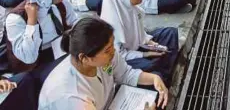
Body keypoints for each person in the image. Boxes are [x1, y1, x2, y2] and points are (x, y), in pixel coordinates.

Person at [38, 17, 168, 109]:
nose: (113, 51)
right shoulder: (70, 97)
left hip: (109, 103)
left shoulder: (106, 55)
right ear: (85, 58)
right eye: (107, 50)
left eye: (112, 45)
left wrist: (154, 78)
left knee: (156, 83)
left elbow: (125, 74)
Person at [100, 0, 179, 85]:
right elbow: (120, 55)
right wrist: (145, 54)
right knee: (149, 65)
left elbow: (141, 34)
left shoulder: (132, 9)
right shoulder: (110, 25)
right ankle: (162, 72)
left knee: (170, 33)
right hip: (126, 57)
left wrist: (151, 43)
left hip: (138, 46)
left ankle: (165, 70)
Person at [5, 0, 76, 74]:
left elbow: (73, 22)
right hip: (34, 64)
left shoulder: (58, 3)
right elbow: (29, 57)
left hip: (59, 49)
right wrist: (31, 22)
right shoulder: (15, 18)